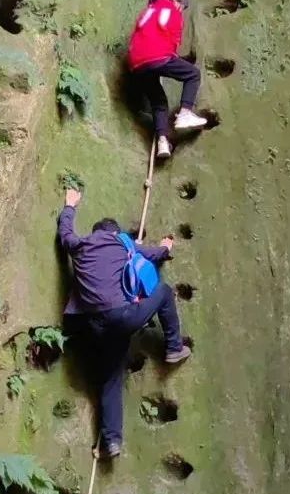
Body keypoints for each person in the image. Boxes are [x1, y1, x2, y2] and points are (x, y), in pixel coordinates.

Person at [58, 186, 192, 458]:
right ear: (115, 232)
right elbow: (151, 254)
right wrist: (166, 248)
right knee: (164, 292)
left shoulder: (80, 246)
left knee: (111, 379)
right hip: (123, 317)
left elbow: (65, 235)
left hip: (93, 326)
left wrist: (70, 205)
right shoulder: (123, 243)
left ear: (95, 232)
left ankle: (111, 442)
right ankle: (173, 347)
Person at [127, 0, 208, 160]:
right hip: (158, 55)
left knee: (158, 101)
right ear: (176, 1)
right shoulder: (172, 10)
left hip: (137, 63)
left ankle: (162, 141)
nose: (182, 10)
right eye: (182, 6)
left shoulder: (148, 11)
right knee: (193, 74)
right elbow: (173, 39)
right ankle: (185, 113)